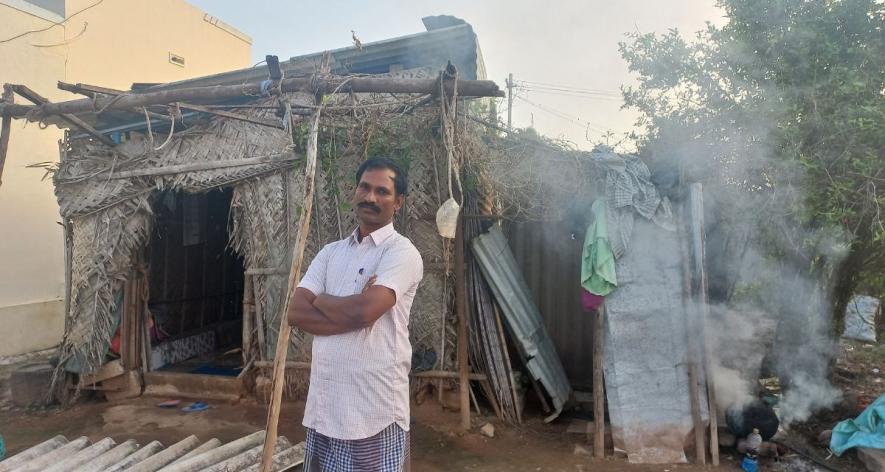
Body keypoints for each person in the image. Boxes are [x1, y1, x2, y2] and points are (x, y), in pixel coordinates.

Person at [288, 157, 424, 471]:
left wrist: (321, 301)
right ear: (354, 192)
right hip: (324, 408)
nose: (370, 197)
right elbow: (295, 311)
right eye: (364, 187)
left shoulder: (401, 253)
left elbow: (366, 311)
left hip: (372, 412)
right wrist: (351, 310)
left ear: (398, 202)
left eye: (382, 191)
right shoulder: (330, 252)